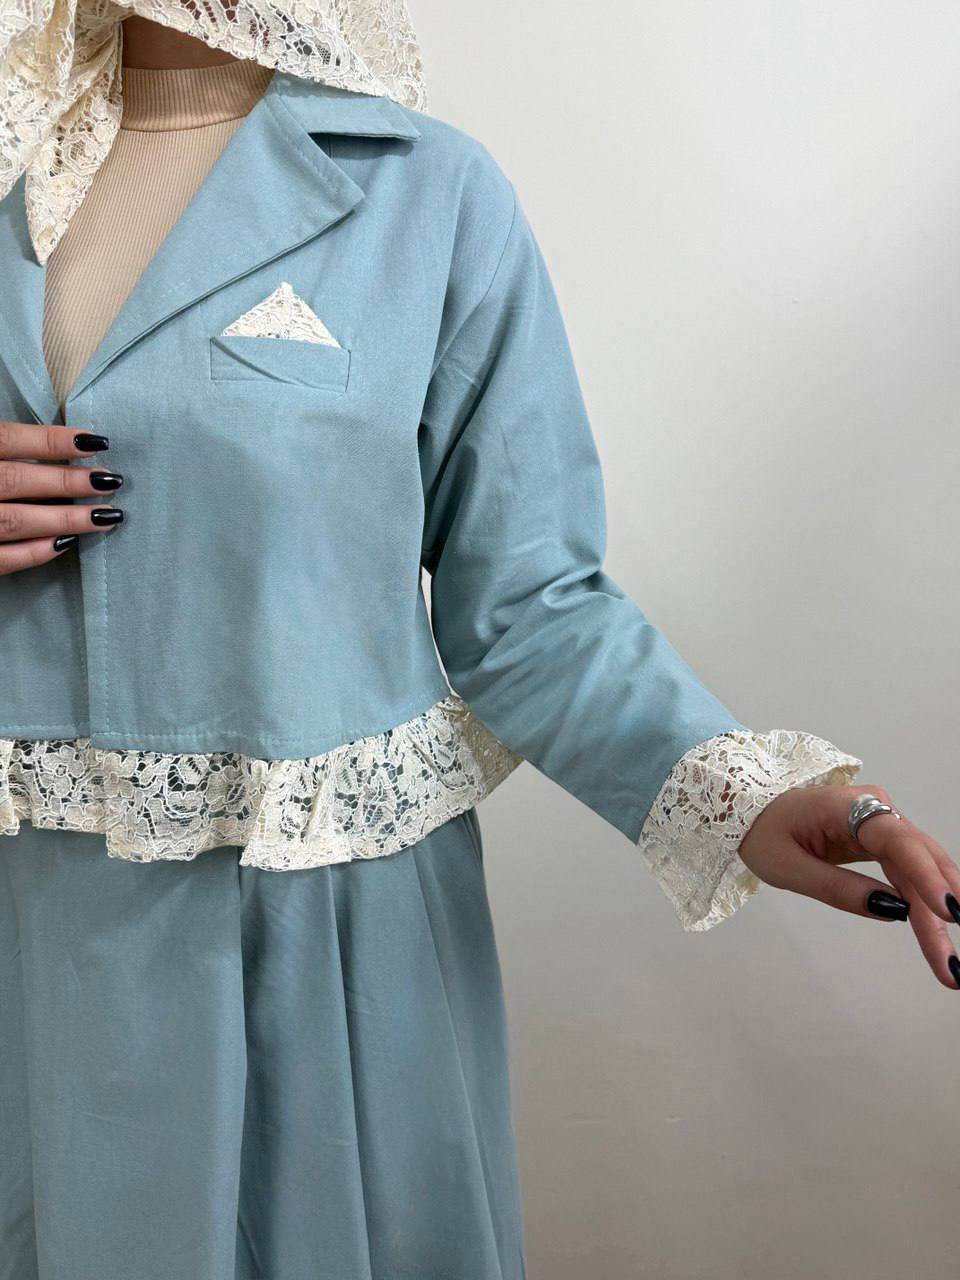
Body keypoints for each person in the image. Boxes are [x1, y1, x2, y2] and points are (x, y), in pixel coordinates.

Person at [0, 4, 956, 1277]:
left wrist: (746, 791)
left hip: (316, 947)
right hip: (26, 949)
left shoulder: (428, 195)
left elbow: (529, 606)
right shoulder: (13, 161)